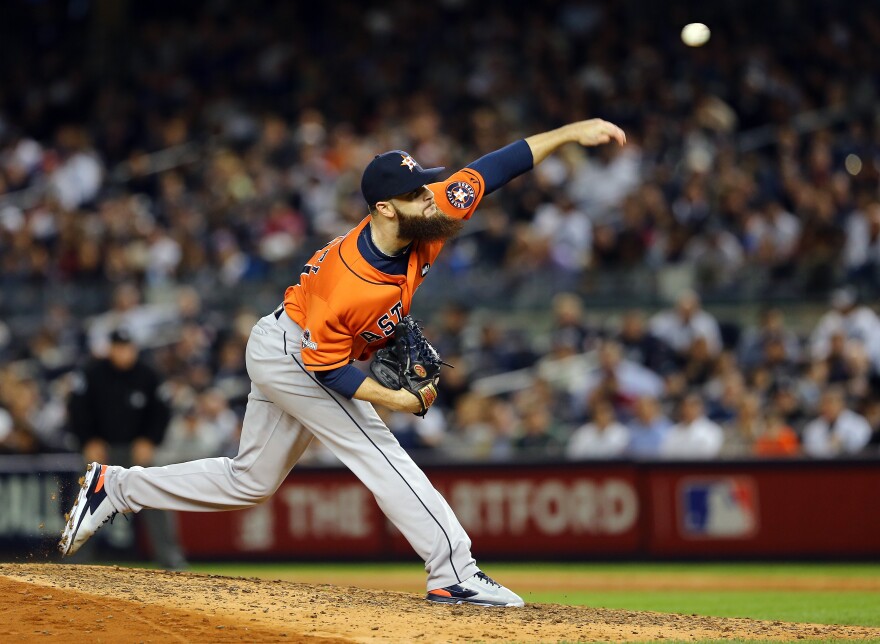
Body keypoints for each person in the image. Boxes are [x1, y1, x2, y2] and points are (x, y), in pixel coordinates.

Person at [59, 118, 626, 607]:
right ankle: (453, 574)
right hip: (295, 353)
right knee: (376, 448)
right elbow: (327, 369)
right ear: (384, 208)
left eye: (427, 185)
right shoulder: (351, 282)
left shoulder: (430, 211)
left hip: (293, 339)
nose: (433, 196)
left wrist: (574, 133)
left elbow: (500, 165)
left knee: (250, 479)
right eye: (417, 193)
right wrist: (399, 399)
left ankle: (116, 488)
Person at [66, 328, 188, 569]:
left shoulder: (149, 374)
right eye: (118, 347)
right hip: (102, 451)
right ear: (110, 348)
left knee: (156, 500)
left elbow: (162, 412)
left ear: (134, 348)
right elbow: (77, 409)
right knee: (85, 504)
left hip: (136, 451)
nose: (123, 353)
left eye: (127, 347)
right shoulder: (92, 373)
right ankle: (76, 562)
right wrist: (88, 439)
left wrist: (150, 440)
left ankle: (170, 559)